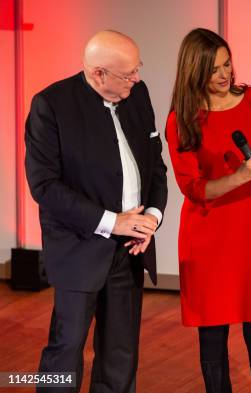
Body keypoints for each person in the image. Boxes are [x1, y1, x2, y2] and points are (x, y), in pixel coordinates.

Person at [25, 30, 168, 392]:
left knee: (120, 355)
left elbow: (155, 166)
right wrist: (113, 222)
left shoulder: (138, 94)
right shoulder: (51, 105)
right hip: (79, 248)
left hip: (130, 249)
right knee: (66, 349)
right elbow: (45, 186)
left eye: (138, 69)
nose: (136, 79)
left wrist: (152, 216)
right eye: (128, 74)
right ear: (98, 73)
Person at [165, 28, 251, 393]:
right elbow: (193, 189)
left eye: (227, 65)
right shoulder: (182, 119)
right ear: (195, 73)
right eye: (214, 70)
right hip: (209, 242)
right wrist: (241, 176)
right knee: (213, 340)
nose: (225, 75)